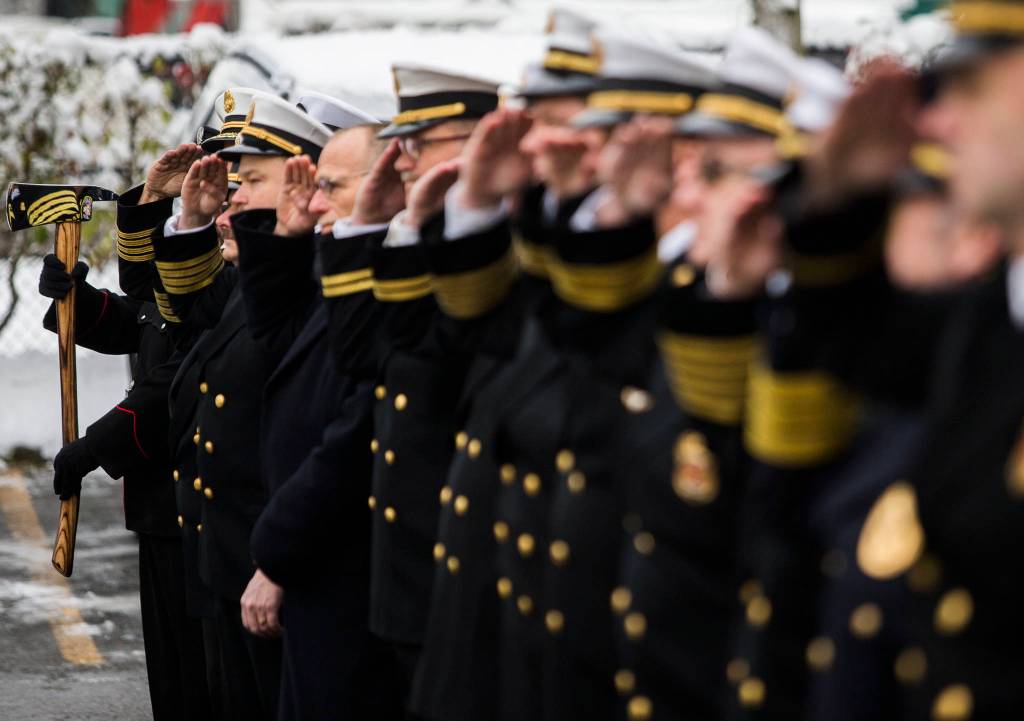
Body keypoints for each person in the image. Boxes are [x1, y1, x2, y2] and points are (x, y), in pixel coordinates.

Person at [223, 93, 401, 721]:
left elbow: (353, 429)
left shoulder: (386, 280)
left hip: (344, 568)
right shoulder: (340, 268)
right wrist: (287, 238)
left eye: (332, 187)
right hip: (317, 568)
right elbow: (279, 342)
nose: (317, 202)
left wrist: (277, 546)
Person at [40, 143, 214, 721]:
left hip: (202, 513)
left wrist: (94, 446)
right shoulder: (191, 270)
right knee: (173, 679)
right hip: (161, 508)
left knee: (204, 683)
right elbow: (145, 315)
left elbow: (173, 379)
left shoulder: (228, 271)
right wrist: (76, 299)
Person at [151, 87, 298, 721]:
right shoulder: (249, 281)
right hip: (223, 556)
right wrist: (183, 216)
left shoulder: (299, 286)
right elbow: (182, 313)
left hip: (264, 558)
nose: (232, 197)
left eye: (251, 181)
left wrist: (279, 561)